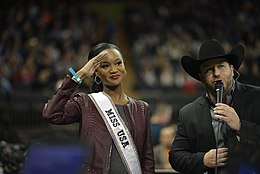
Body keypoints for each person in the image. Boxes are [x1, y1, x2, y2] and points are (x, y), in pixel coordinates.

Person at [42, 43, 155, 174]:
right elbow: (51, 114)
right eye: (105, 66)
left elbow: (147, 160)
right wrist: (81, 74)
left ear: (125, 67)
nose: (114, 70)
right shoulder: (86, 103)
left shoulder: (141, 108)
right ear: (96, 71)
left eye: (118, 63)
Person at [169, 39, 260, 174]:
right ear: (202, 77)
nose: (216, 73)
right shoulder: (188, 113)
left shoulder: (256, 98)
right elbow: (175, 156)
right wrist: (203, 160)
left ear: (233, 70)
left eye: (221, 66)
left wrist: (241, 126)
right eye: (209, 69)